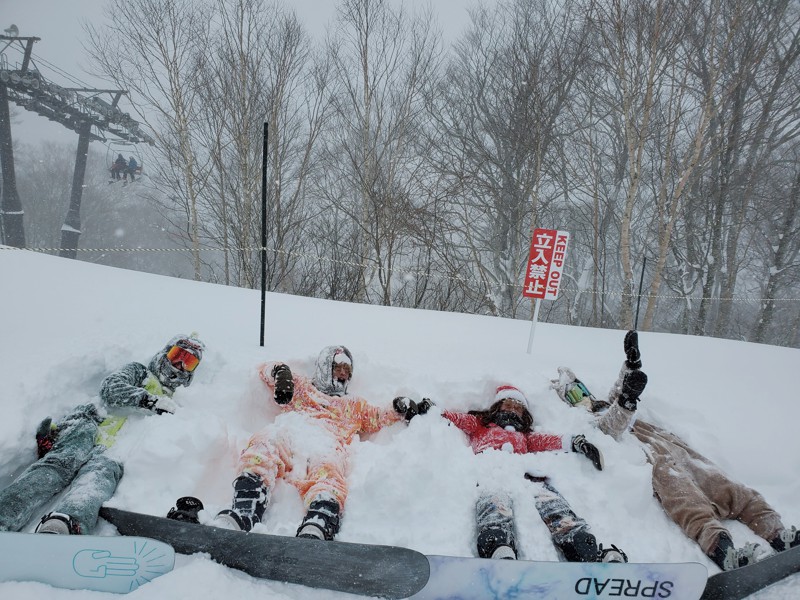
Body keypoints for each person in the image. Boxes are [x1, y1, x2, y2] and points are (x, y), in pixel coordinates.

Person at [555, 331, 800, 571]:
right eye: (573, 394)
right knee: (687, 499)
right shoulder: (585, 419)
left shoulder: (602, 403)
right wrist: (627, 402)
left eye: (581, 390)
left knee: (728, 487)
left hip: (669, 443)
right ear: (569, 400)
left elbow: (620, 390)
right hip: (651, 456)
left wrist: (631, 364)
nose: (581, 396)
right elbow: (610, 427)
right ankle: (723, 550)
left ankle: (777, 532)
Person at [205, 345, 418, 540]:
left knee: (329, 471)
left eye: (347, 370)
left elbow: (378, 417)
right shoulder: (303, 388)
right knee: (264, 443)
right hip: (289, 433)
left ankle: (318, 522)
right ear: (325, 366)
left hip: (327, 444)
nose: (343, 373)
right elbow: (265, 370)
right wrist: (281, 373)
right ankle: (244, 510)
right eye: (338, 367)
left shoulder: (353, 405)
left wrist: (399, 407)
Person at [0, 335, 204, 535]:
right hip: (89, 425)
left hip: (115, 450)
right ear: (165, 353)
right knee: (55, 468)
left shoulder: (176, 405)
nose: (179, 365)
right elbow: (110, 388)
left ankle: (67, 524)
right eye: (177, 355)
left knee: (97, 482)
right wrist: (150, 401)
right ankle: (5, 514)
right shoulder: (140, 372)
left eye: (189, 362)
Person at [416, 385, 626, 563]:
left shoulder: (525, 437)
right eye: (508, 404)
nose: (513, 409)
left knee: (552, 503)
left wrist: (576, 442)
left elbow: (547, 440)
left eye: (518, 407)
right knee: (494, 502)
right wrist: (433, 409)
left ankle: (583, 547)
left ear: (524, 415)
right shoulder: (481, 424)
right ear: (497, 407)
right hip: (491, 473)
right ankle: (498, 546)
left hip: (526, 478)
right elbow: (456, 419)